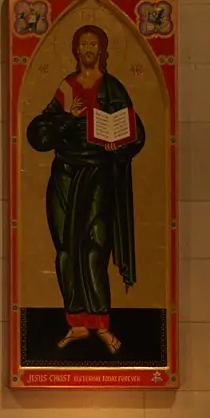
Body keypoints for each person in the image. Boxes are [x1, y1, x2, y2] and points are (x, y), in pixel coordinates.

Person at [26, 23, 146, 354]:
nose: (89, 49)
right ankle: (76, 324)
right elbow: (39, 133)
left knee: (95, 248)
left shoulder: (114, 88)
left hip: (99, 176)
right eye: (84, 44)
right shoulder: (66, 89)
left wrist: (117, 146)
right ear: (77, 51)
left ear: (102, 50)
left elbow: (136, 131)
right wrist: (68, 116)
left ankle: (102, 324)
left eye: (95, 44)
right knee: (67, 249)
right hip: (65, 176)